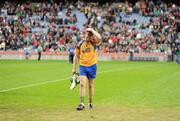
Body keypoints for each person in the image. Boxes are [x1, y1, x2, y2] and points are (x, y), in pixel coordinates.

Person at [72, 28, 102, 111]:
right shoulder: (80, 44)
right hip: (83, 66)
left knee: (91, 85)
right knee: (82, 84)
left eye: (89, 35)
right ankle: (81, 103)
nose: (87, 37)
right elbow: (76, 56)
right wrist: (74, 69)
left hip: (92, 66)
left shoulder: (94, 42)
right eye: (86, 35)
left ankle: (90, 103)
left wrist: (92, 30)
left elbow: (100, 37)